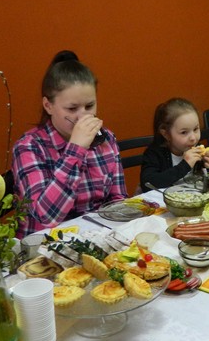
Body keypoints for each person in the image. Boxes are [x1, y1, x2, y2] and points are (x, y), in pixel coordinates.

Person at [11, 51, 126, 236]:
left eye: (90, 106)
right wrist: (76, 150)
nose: (83, 116)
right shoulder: (29, 147)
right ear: (48, 106)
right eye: (72, 108)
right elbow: (46, 217)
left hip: (97, 238)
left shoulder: (106, 139)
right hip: (46, 244)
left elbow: (118, 201)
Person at [140, 98, 209, 192]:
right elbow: (147, 184)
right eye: (184, 132)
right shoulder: (154, 153)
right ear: (166, 134)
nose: (193, 138)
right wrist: (185, 165)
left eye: (195, 129)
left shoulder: (196, 147)